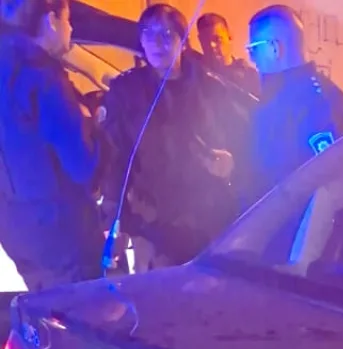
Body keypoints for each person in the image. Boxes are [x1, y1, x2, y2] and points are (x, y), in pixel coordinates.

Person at [100, 3, 250, 271]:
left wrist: (232, 163)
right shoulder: (126, 91)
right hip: (153, 226)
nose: (157, 43)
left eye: (167, 34)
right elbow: (115, 157)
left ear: (183, 40)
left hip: (208, 219)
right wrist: (115, 219)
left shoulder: (211, 87)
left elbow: (242, 140)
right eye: (148, 33)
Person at [0, 0, 103, 290]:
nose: (70, 29)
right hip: (64, 237)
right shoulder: (40, 73)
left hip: (18, 233)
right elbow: (83, 165)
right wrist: (95, 127)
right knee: (82, 314)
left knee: (46, 312)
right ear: (50, 21)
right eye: (68, 21)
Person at [246, 4, 343, 199]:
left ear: (274, 48)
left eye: (253, 49)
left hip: (294, 217)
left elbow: (328, 190)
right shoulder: (276, 98)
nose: (252, 59)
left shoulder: (318, 103)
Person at [195, 13, 258, 97]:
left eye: (217, 39)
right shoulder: (195, 78)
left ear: (230, 37)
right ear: (200, 40)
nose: (211, 45)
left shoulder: (250, 76)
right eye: (205, 40)